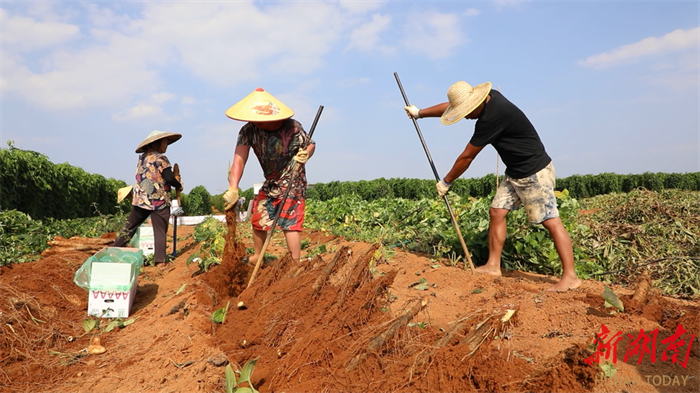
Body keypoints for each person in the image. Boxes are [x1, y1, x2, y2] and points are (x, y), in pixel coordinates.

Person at [404, 81, 581, 291]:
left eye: (467, 112)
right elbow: (450, 107)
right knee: (497, 211)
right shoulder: (489, 99)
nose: (466, 117)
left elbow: (467, 156)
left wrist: (447, 181)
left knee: (550, 221)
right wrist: (420, 113)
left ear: (476, 103)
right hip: (515, 171)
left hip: (533, 172)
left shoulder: (492, 117)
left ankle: (570, 276)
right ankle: (493, 266)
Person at [224, 87, 316, 265]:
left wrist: (306, 154)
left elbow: (310, 144)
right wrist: (233, 187)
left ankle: (294, 262)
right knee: (258, 216)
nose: (255, 121)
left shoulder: (293, 127)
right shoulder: (248, 131)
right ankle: (258, 255)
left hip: (293, 178)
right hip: (272, 180)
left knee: (290, 222)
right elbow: (239, 160)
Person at [113, 130, 183, 266]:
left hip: (141, 199)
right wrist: (178, 184)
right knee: (160, 230)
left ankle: (113, 252)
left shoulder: (142, 158)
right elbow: (169, 178)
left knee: (129, 227)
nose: (166, 145)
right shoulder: (161, 159)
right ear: (157, 143)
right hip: (159, 200)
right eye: (165, 142)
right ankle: (160, 261)